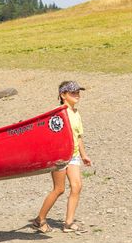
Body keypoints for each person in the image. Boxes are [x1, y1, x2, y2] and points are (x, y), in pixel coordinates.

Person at [32, 81, 92, 234]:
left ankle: (68, 223)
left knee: (77, 186)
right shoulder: (57, 113)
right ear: (63, 95)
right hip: (59, 156)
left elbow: (78, 136)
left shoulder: (76, 113)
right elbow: (49, 136)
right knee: (59, 189)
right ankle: (40, 220)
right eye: (73, 93)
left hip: (74, 155)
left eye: (78, 92)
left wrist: (84, 155)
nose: (77, 95)